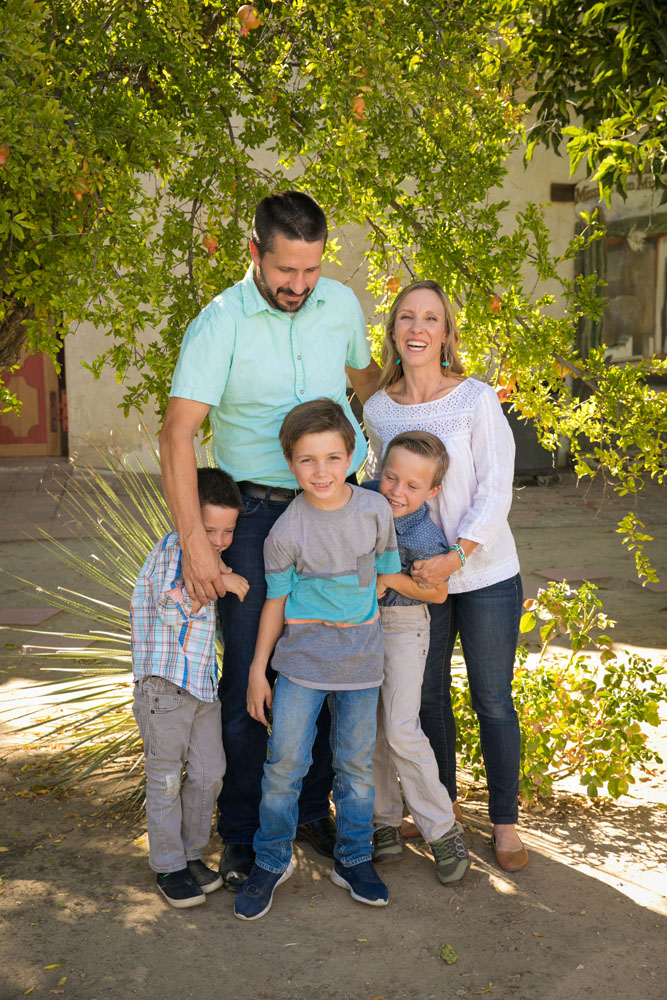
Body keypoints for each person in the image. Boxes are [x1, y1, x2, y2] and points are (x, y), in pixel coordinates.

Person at [159, 191, 380, 888]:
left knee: (326, 662)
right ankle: (246, 833)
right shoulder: (218, 323)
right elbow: (175, 433)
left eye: (310, 270)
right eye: (286, 270)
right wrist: (196, 543)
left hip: (337, 509)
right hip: (254, 517)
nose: (298, 286)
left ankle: (313, 812)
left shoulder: (340, 305)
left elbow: (363, 382)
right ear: (254, 252)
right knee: (251, 682)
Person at [363, 280, 529, 872]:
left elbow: (495, 486)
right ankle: (444, 811)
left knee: (491, 699)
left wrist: (456, 554)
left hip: (483, 573)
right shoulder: (378, 409)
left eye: (430, 318)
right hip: (415, 582)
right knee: (427, 700)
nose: (417, 328)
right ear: (393, 331)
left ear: (446, 332)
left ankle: (506, 825)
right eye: (406, 317)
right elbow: (383, 492)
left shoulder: (477, 398)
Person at [234, 399, 401, 921]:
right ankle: (271, 858)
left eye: (333, 458)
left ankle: (352, 858)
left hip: (360, 667)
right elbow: (275, 604)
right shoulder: (285, 531)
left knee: (355, 767)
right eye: (308, 460)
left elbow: (386, 576)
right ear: (290, 464)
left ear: (352, 455)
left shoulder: (376, 512)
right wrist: (258, 670)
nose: (322, 471)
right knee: (284, 764)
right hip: (300, 667)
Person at [130, 468, 249, 908]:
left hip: (201, 688)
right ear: (187, 519)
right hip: (163, 689)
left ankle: (191, 854)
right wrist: (219, 584)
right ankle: (168, 865)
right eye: (210, 529)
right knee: (164, 779)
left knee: (208, 774)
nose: (218, 539)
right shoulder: (172, 550)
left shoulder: (212, 558)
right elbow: (168, 608)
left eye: (228, 530)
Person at [364, 431, 470, 885]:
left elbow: (438, 591)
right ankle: (382, 822)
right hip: (359, 629)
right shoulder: (362, 500)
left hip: (406, 628)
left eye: (412, 486)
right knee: (372, 728)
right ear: (379, 471)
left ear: (432, 492)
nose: (397, 491)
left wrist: (389, 577)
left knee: (403, 727)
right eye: (391, 477)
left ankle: (442, 828)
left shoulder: (425, 532)